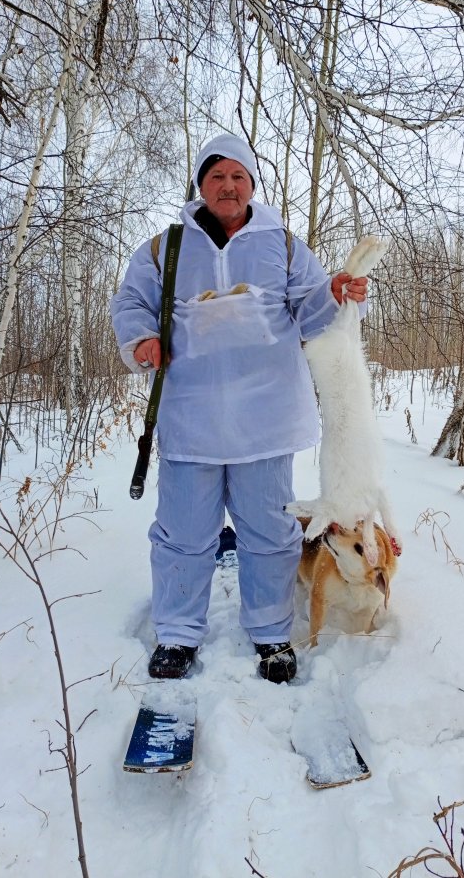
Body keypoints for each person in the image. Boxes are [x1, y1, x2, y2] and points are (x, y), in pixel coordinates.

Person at [110, 134, 368, 683]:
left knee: (269, 534)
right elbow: (130, 301)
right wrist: (141, 339)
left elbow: (310, 310)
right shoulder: (165, 248)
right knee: (183, 534)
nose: (228, 187)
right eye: (216, 176)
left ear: (252, 184)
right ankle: (178, 634)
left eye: (238, 177)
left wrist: (334, 293)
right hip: (191, 418)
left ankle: (271, 632)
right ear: (200, 185)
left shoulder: (284, 245)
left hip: (266, 420)